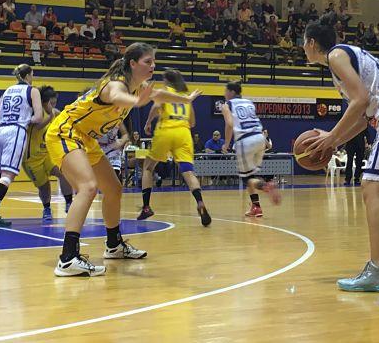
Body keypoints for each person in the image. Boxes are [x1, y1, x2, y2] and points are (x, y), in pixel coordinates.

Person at [46, 43, 199, 277]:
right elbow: (117, 96)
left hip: (86, 138)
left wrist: (185, 99)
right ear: (133, 63)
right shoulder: (114, 85)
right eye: (148, 61)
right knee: (87, 187)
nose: (153, 66)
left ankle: (114, 245)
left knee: (114, 189)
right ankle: (67, 258)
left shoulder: (139, 87)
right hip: (65, 131)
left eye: (153, 62)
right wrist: (137, 103)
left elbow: (159, 95)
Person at [303, 13, 379, 293]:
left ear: (311, 43)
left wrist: (333, 135)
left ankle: (376, 271)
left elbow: (361, 100)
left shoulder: (336, 56)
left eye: (303, 44)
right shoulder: (345, 59)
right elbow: (361, 118)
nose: (303, 49)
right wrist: (334, 141)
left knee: (372, 188)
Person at [137, 69, 210, 226]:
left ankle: (146, 207)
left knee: (148, 168)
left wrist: (148, 122)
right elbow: (192, 123)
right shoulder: (185, 97)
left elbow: (155, 107)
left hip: (166, 129)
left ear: (167, 81)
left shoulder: (165, 92)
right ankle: (200, 202)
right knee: (188, 172)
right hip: (184, 132)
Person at [0, 65, 43, 226]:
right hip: (15, 131)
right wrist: (25, 120)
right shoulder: (32, 90)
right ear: (28, 75)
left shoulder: (7, 91)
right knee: (7, 175)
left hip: (0, 131)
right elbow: (39, 117)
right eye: (32, 74)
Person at [220, 81, 282, 217]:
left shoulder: (227, 105)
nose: (224, 94)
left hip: (244, 141)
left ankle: (266, 186)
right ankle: (256, 207)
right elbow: (254, 123)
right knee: (251, 176)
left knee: (247, 179)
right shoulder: (249, 102)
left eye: (225, 91)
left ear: (231, 92)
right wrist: (266, 142)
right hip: (259, 139)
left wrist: (226, 144)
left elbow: (230, 124)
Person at [21, 86, 74, 222]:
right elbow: (37, 126)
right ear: (43, 102)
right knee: (44, 186)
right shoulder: (35, 113)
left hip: (48, 154)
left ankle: (69, 202)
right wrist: (50, 115)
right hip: (32, 158)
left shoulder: (56, 113)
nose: (53, 106)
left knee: (64, 172)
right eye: (51, 103)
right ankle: (47, 208)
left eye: (55, 103)